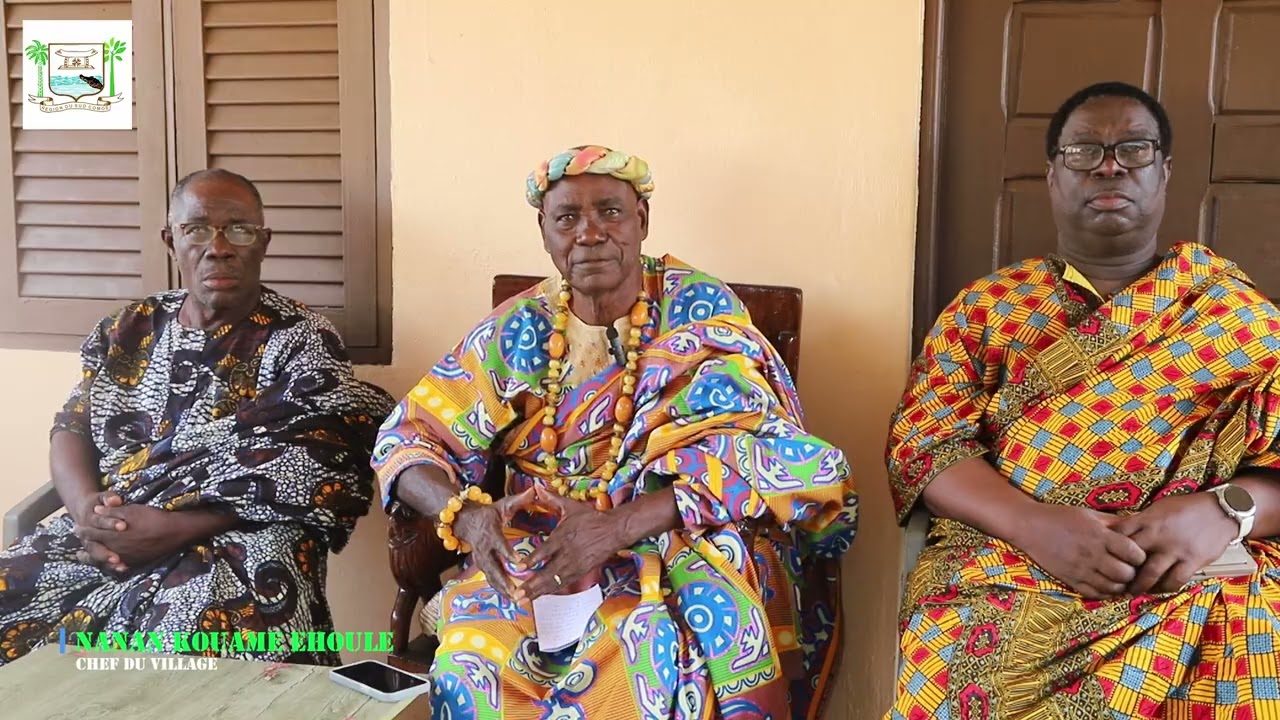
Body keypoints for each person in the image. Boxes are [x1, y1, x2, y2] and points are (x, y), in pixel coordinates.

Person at [373, 145, 858, 719]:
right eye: (567, 218)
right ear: (544, 231)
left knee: (642, 665)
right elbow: (408, 438)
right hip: (538, 549)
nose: (590, 234)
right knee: (469, 667)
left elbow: (787, 461)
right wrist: (469, 517)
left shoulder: (698, 310)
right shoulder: (519, 327)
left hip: (668, 541)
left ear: (642, 221)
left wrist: (619, 524)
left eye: (610, 211)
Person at [886, 81, 1280, 719]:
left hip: (1196, 567)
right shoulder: (986, 308)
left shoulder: (1236, 314)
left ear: (1164, 172)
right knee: (961, 667)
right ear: (1051, 175)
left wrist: (1223, 512)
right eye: (1083, 151)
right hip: (1006, 561)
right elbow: (924, 447)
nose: (1109, 164)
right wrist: (1036, 527)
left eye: (1134, 149)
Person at [0, 169, 394, 666]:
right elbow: (72, 427)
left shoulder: (301, 339)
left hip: (238, 537)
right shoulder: (127, 329)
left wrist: (173, 528)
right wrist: (88, 516)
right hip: (105, 527)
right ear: (172, 241)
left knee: (187, 631)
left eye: (240, 229)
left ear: (264, 243)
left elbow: (319, 459)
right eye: (198, 229)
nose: (220, 247)